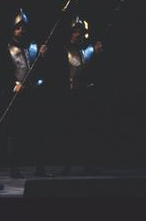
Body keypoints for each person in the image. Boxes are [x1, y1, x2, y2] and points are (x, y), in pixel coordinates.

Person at [0, 9, 53, 178]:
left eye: (23, 28)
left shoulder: (36, 47)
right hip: (15, 96)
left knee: (38, 132)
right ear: (13, 30)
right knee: (13, 133)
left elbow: (45, 72)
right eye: (18, 28)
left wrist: (43, 57)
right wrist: (12, 86)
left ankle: (41, 168)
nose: (21, 31)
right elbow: (0, 73)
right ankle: (14, 168)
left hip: (34, 94)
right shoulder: (6, 49)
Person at [55, 15, 104, 176]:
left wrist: (97, 54)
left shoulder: (91, 49)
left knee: (89, 131)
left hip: (88, 95)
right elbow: (60, 74)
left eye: (80, 32)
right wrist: (67, 86)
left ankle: (89, 164)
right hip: (71, 96)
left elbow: (98, 72)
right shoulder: (64, 50)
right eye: (75, 32)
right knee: (69, 131)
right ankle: (67, 165)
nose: (78, 34)